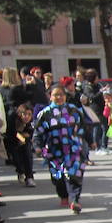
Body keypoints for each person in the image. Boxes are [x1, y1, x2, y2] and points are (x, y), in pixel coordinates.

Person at [33, 85, 87, 214]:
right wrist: (38, 147)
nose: (59, 97)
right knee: (58, 177)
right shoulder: (45, 113)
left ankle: (75, 200)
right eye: (55, 95)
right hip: (53, 151)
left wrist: (90, 142)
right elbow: (38, 133)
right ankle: (63, 195)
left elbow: (84, 127)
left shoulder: (74, 110)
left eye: (61, 94)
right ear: (50, 97)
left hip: (74, 149)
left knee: (74, 174)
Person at [6, 103, 36, 187]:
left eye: (29, 114)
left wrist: (24, 138)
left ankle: (29, 177)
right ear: (20, 114)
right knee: (16, 159)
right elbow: (11, 132)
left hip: (24, 140)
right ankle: (20, 171)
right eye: (24, 114)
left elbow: (30, 133)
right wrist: (21, 137)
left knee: (28, 154)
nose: (27, 117)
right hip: (12, 141)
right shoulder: (12, 118)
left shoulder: (31, 122)